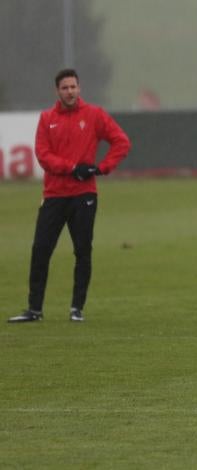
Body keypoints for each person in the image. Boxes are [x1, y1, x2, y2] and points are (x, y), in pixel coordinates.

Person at [8, 69, 131, 323]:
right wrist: (73, 168)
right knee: (41, 250)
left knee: (83, 251)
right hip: (54, 195)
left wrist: (102, 168)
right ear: (57, 91)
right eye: (65, 88)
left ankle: (77, 308)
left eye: (73, 87)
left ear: (80, 88)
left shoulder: (94, 115)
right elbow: (43, 155)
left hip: (84, 195)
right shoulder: (47, 118)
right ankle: (34, 309)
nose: (70, 91)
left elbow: (121, 142)